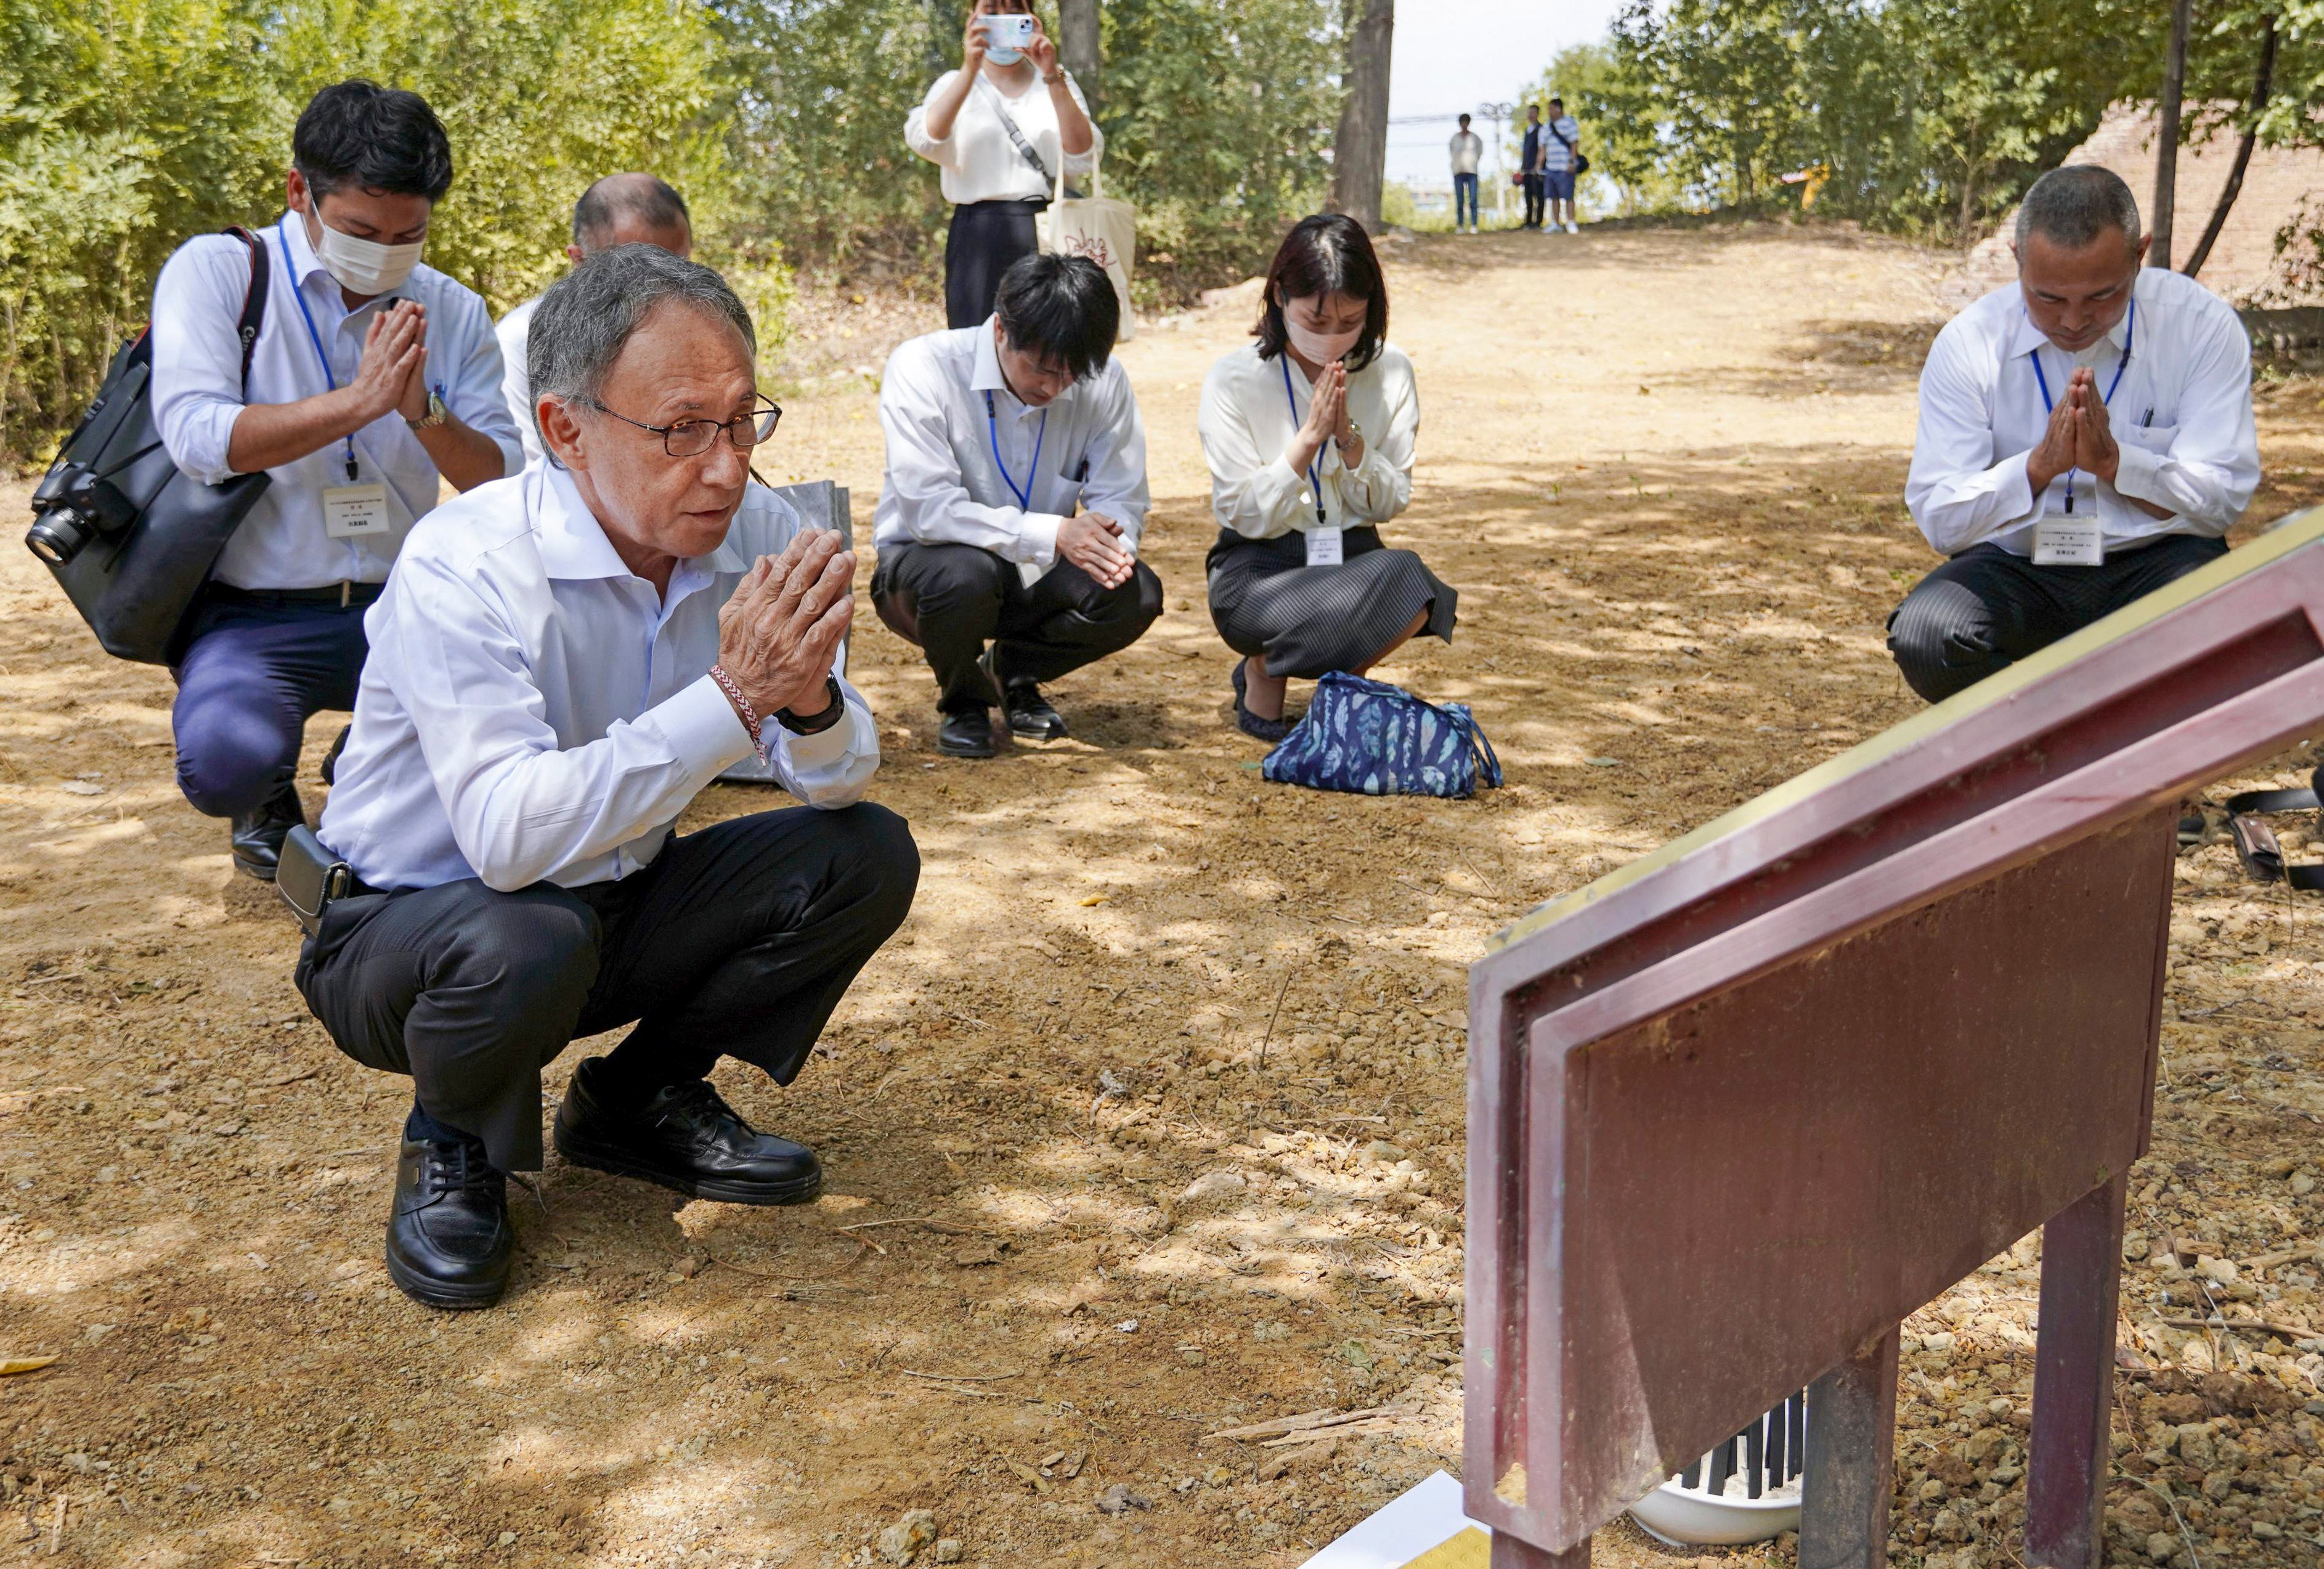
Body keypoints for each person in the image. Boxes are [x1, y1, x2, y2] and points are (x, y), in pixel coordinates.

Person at [299, 245, 917, 1311]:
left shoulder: (752, 527)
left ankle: (637, 1101)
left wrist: (808, 699)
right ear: (564, 429)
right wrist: (732, 698)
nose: (724, 466)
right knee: (527, 931)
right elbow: (505, 839)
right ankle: (452, 1136)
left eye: (741, 421)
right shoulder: (467, 562)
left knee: (862, 856)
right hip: (415, 936)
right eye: (681, 429)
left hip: (608, 904)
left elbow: (838, 777)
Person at [150, 80, 521, 882]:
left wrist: (423, 415)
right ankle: (266, 792)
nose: (384, 252)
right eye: (360, 230)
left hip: (406, 602)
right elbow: (197, 436)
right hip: (256, 612)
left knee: (536, 709)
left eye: (408, 234)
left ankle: (371, 756)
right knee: (225, 760)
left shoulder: (450, 309)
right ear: (299, 193)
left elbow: (502, 476)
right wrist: (357, 403)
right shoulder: (220, 272)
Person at [1887, 165, 2260, 703]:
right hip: (2020, 564)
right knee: (1929, 635)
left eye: (2102, 296)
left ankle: (2146, 770)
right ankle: (2038, 759)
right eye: (2049, 298)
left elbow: (2220, 500)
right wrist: (2037, 469)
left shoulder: (2199, 326)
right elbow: (1943, 521)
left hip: (2156, 560)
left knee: (2228, 622)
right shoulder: (1971, 343)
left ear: (2140, 256)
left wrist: (2117, 465)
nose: (2073, 321)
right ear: (2018, 260)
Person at [871, 253, 1159, 759]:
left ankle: (1009, 672)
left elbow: (1121, 494)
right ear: (1001, 330)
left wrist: (1111, 544)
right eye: (1043, 369)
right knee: (965, 574)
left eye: (1072, 376)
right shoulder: (925, 366)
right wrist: (1054, 534)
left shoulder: (1104, 380)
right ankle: (965, 703)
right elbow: (928, 510)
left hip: (1036, 568)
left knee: (1133, 593)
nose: (1053, 388)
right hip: (927, 570)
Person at [1197, 215, 1455, 741]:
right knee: (1300, 600)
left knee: (1412, 583)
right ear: (1278, 298)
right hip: (1260, 568)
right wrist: (1306, 441)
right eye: (1315, 323)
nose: (1332, 340)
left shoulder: (1391, 372)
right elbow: (1239, 511)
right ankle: (1263, 668)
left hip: (1350, 557)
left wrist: (1350, 440)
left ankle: (1326, 682)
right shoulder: (1234, 378)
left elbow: (1390, 502)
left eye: (1350, 322)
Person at [906, 0, 1101, 329]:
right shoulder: (954, 83)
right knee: (976, 341)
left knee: (1051, 342)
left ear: (1031, 19)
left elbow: (1084, 156)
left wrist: (1051, 74)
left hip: (1050, 231)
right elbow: (927, 139)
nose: (1002, 21)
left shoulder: (1053, 83)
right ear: (973, 20)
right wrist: (970, 68)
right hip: (977, 234)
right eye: (991, 13)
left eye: (1013, 12)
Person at [497, 174, 694, 467]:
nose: (661, 291)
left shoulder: (699, 327)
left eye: (678, 270)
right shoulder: (519, 340)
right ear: (580, 263)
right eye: (636, 274)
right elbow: (531, 473)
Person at [1541, 97, 1582, 234]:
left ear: (1559, 108)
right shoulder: (1546, 127)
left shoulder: (1570, 123)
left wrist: (1571, 162)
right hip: (1551, 168)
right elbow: (1543, 148)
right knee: (1553, 196)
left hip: (1565, 167)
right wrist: (1539, 165)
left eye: (1551, 108)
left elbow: (1574, 144)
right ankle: (1555, 223)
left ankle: (1571, 222)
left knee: (1568, 195)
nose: (1549, 111)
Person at [1448, 114, 1484, 235]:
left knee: (1473, 199)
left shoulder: (1475, 138)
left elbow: (1480, 151)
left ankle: (1474, 225)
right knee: (1460, 200)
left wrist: (1473, 161)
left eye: (1466, 122)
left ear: (1469, 123)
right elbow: (1451, 151)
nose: (1464, 124)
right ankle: (1460, 225)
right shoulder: (1454, 138)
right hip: (1458, 172)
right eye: (1462, 122)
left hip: (1472, 172)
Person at [1519, 105, 1546, 232]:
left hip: (1537, 169)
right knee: (1528, 196)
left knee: (1539, 196)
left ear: (1537, 114)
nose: (1530, 115)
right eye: (1529, 112)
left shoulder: (1541, 129)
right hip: (1526, 169)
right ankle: (1528, 221)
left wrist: (1538, 166)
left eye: (1533, 113)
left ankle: (1538, 222)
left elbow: (1542, 149)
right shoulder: (1527, 130)